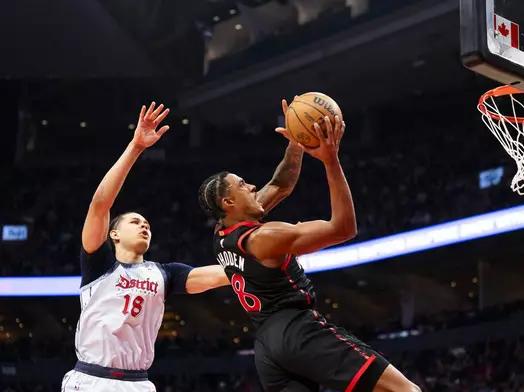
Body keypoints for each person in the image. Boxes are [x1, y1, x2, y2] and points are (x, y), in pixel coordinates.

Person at [199, 114, 421, 392]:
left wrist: (296, 141)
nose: (253, 186)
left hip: (268, 348)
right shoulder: (264, 237)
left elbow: (281, 185)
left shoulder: (222, 232)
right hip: (298, 329)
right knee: (407, 391)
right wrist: (331, 160)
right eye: (243, 185)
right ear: (229, 201)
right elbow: (343, 229)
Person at [62, 102, 235, 392]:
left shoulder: (164, 274)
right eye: (135, 222)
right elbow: (100, 204)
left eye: (148, 225)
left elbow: (227, 273)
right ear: (113, 234)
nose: (145, 226)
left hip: (139, 384)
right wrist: (135, 147)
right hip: (91, 380)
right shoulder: (98, 263)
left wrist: (271, 258)